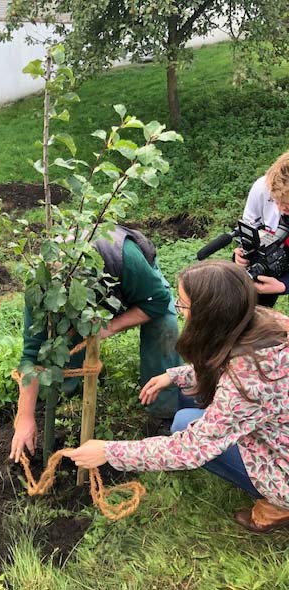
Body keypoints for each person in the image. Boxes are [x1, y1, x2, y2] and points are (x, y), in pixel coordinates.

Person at [63, 260, 289, 533]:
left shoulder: (249, 381)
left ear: (210, 314)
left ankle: (279, 505)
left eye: (183, 305)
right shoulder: (266, 323)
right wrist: (175, 375)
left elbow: (190, 449)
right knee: (186, 398)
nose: (180, 311)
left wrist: (108, 451)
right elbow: (228, 363)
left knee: (183, 424)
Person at [10, 225, 183, 463]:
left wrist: (109, 327)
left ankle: (164, 413)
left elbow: (157, 301)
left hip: (135, 283)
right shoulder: (39, 288)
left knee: (164, 330)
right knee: (67, 342)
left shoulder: (124, 257)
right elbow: (32, 351)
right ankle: (65, 390)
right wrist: (25, 417)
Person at [234, 151, 289, 306]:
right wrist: (243, 254)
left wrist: (284, 285)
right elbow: (251, 229)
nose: (279, 208)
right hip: (271, 253)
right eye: (275, 200)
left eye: (287, 205)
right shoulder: (262, 187)